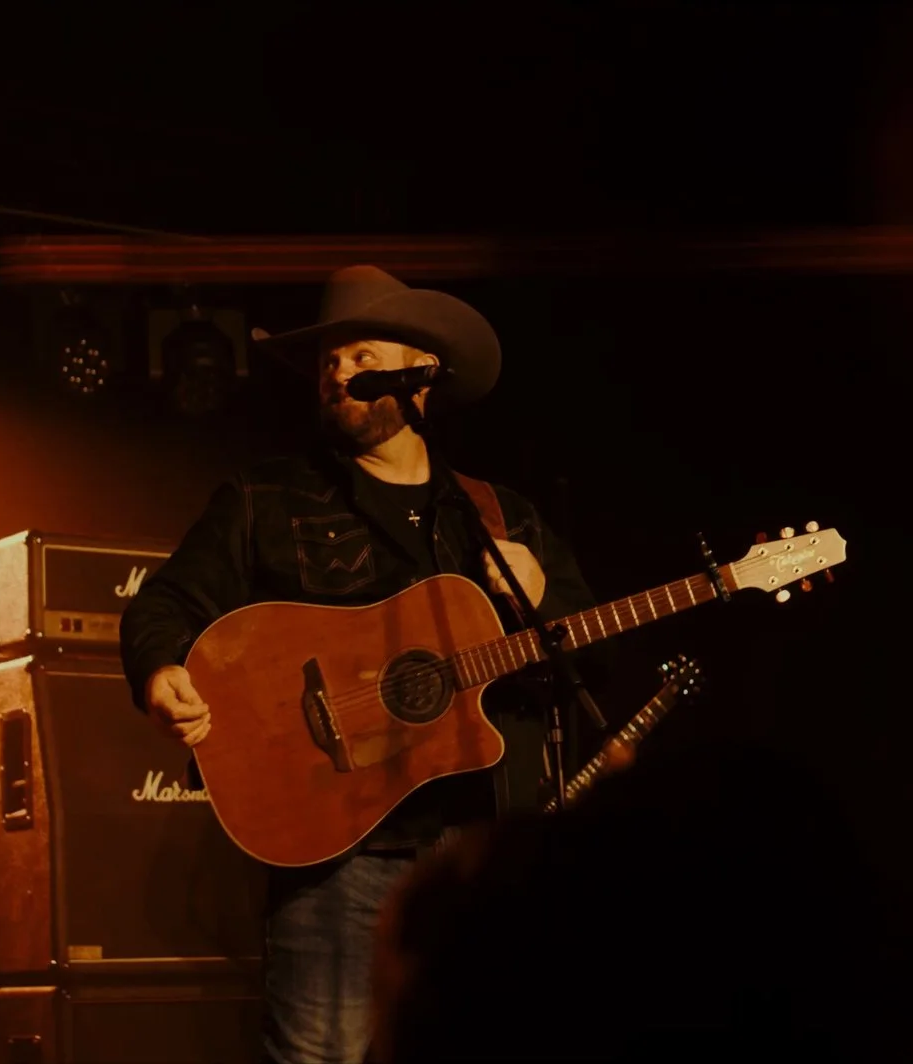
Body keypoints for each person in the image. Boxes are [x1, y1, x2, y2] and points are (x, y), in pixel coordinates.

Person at [120, 265, 605, 1064]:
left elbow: (591, 653)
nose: (338, 373)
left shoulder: (497, 516)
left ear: (420, 374)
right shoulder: (266, 498)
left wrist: (542, 597)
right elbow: (162, 605)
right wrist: (157, 670)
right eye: (328, 363)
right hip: (338, 854)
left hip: (480, 854)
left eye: (359, 356)